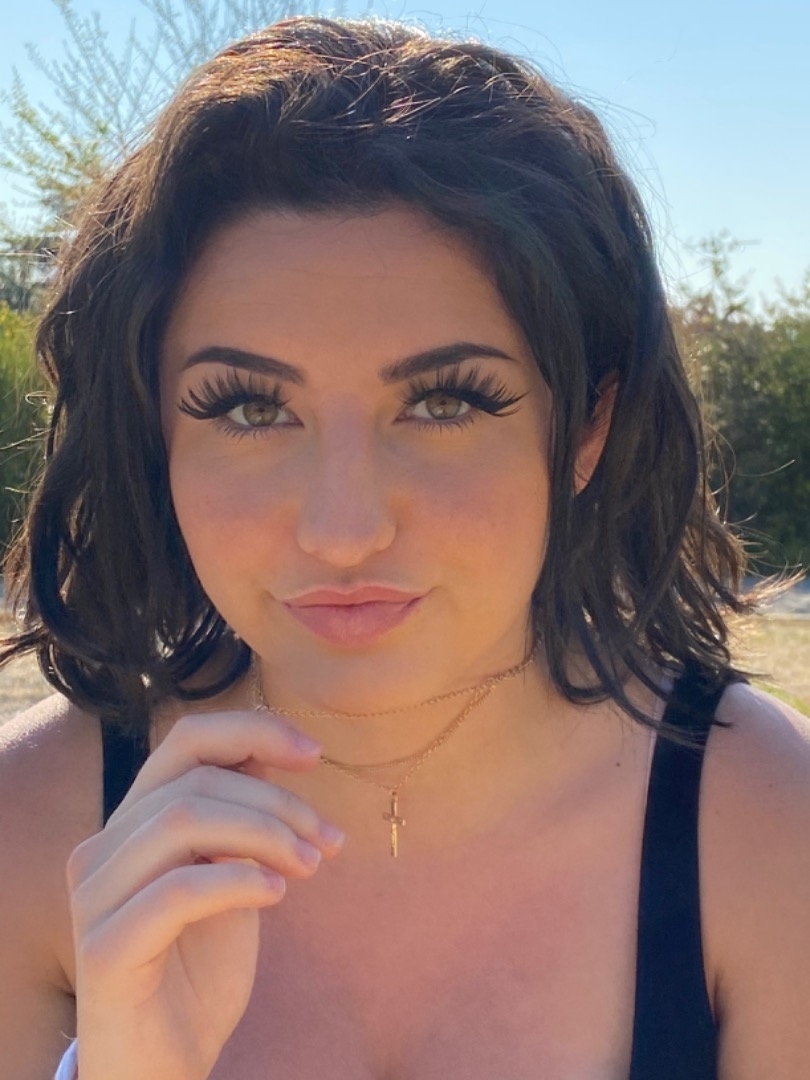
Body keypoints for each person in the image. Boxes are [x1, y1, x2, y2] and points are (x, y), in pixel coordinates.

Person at [0, 14, 808, 1080]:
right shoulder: (29, 827)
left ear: (586, 429)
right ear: (156, 431)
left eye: (445, 403)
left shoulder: (767, 826)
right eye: (248, 408)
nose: (343, 530)